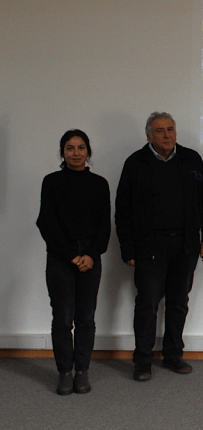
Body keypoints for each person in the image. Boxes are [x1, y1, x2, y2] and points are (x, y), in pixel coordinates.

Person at [115, 112, 203, 381]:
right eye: (159, 131)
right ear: (149, 136)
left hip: (186, 245)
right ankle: (143, 361)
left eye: (170, 129)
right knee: (147, 304)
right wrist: (128, 248)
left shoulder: (191, 159)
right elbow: (122, 210)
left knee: (178, 303)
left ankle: (173, 355)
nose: (167, 135)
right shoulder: (135, 163)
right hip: (150, 247)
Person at [36, 130, 110, 396]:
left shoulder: (100, 183)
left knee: (86, 319)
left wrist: (90, 254)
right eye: (70, 148)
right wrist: (71, 255)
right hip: (60, 259)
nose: (76, 153)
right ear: (62, 152)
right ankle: (64, 373)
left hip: (91, 258)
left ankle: (82, 372)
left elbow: (104, 225)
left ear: (88, 152)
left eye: (81, 148)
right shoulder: (52, 182)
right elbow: (46, 222)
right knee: (63, 319)